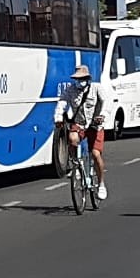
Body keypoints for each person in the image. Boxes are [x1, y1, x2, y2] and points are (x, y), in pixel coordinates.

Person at [54, 64, 108, 200]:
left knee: (95, 154)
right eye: (78, 79)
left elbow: (106, 102)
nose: (80, 81)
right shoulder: (70, 90)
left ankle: (101, 184)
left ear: (88, 79)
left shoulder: (97, 88)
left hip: (96, 125)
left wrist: (102, 115)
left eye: (82, 79)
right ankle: (76, 165)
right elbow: (62, 103)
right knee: (72, 139)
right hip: (80, 124)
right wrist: (58, 117)